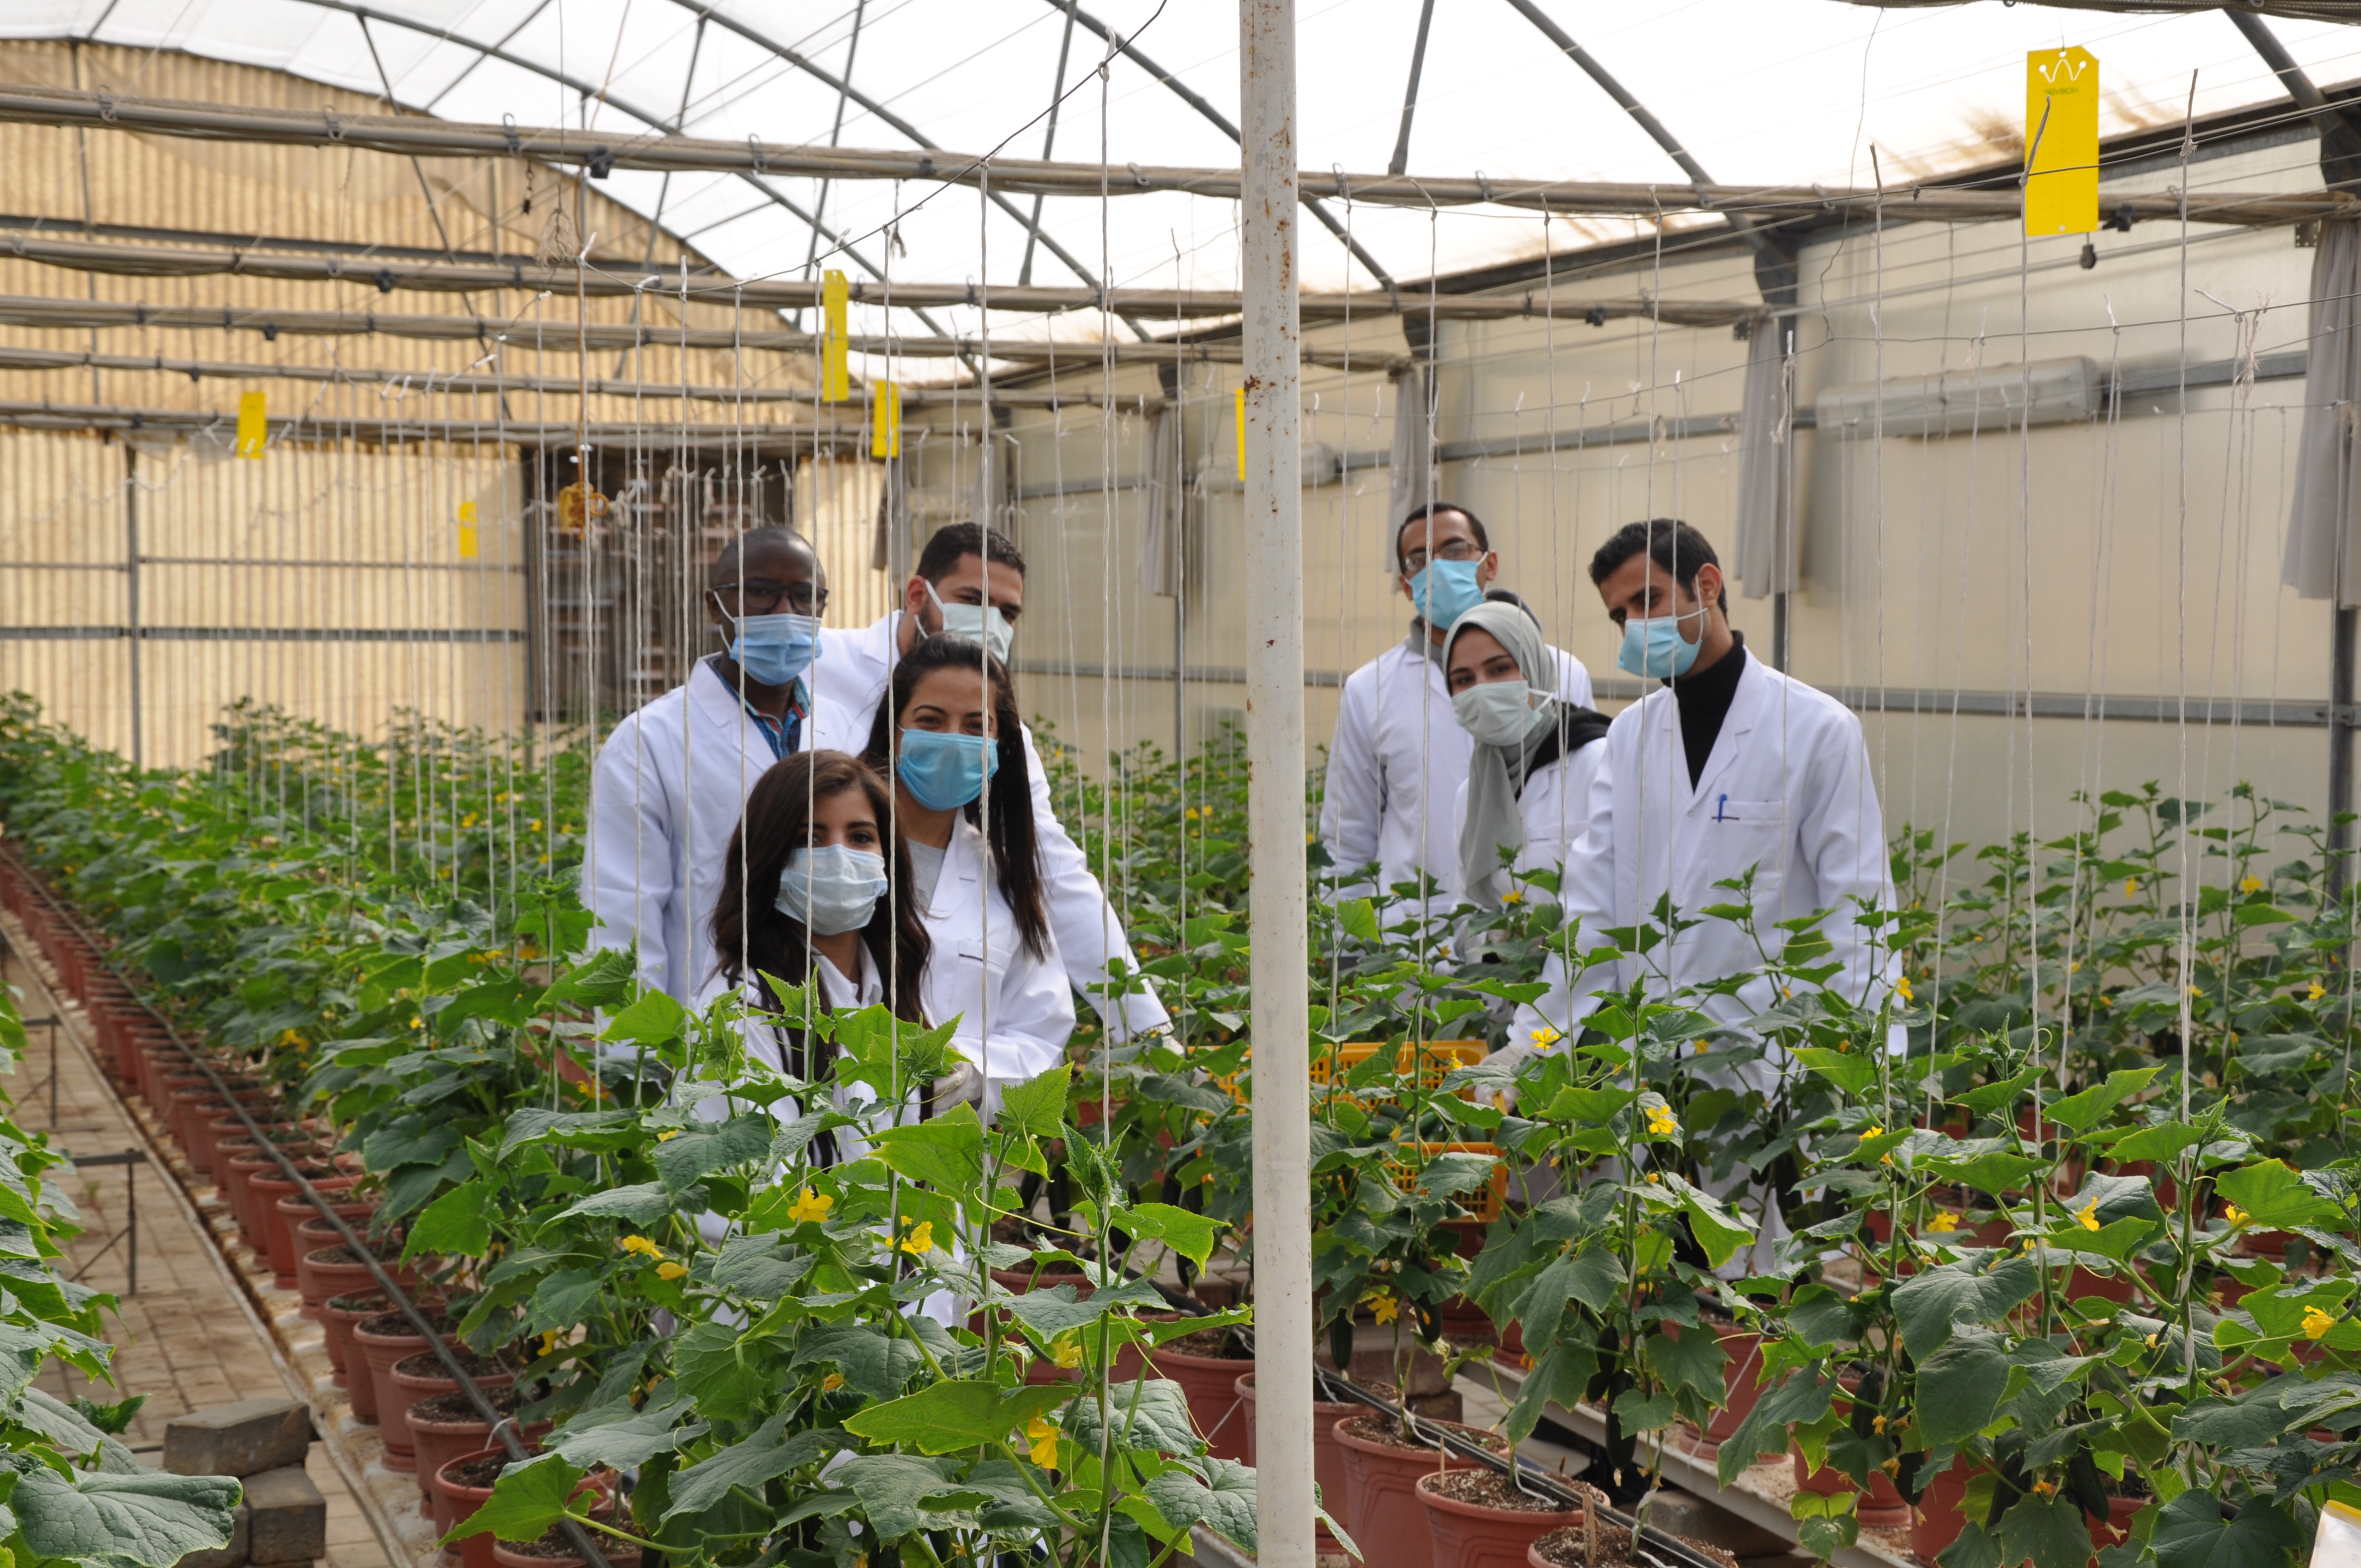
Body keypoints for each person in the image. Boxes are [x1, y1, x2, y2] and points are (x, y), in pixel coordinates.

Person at [1507, 518, 1902, 1085]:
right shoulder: (1629, 737)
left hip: (1774, 1061)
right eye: (1622, 615)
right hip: (1653, 1064)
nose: (1636, 625)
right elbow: (1591, 904)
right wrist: (1532, 1040)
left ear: (1708, 586)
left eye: (1649, 599)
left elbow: (1858, 903)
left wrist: (1868, 1067)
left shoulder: (1815, 729)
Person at [813, 522, 1169, 1042]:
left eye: (1008, 613)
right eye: (973, 600)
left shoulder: (1007, 737)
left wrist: (1145, 1026)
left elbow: (1055, 869)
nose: (991, 622)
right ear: (919, 595)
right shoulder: (821, 669)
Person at [585, 526, 828, 1003]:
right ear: (715, 605)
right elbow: (622, 914)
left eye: (804, 596)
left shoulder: (846, 729)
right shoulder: (648, 741)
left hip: (833, 1019)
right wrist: (637, 1054)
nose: (785, 613)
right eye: (759, 593)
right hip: (704, 1023)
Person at [1321, 502, 1593, 917]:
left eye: (1455, 550)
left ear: (1490, 563)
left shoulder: (1562, 673)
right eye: (1419, 559)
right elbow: (1348, 837)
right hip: (1411, 935)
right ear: (1408, 585)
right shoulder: (1369, 689)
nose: (1437, 567)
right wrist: (1353, 947)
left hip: (1537, 933)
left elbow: (1588, 806)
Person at [862, 634, 1075, 1119]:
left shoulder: (1002, 878)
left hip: (948, 1164)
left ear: (1000, 748)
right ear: (895, 730)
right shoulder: (833, 853)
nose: (955, 740)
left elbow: (1042, 1036)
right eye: (931, 721)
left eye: (976, 727)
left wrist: (975, 1074)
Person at [704, 749, 942, 1164]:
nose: (837, 856)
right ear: (767, 858)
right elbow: (754, 1196)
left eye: (860, 837)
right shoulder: (742, 1009)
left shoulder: (894, 988)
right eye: (808, 839)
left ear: (888, 860)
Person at [1442, 600, 1612, 912]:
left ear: (1537, 669)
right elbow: (1468, 909)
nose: (1482, 688)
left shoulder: (1599, 763)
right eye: (1464, 679)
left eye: (1499, 669)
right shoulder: (1470, 795)